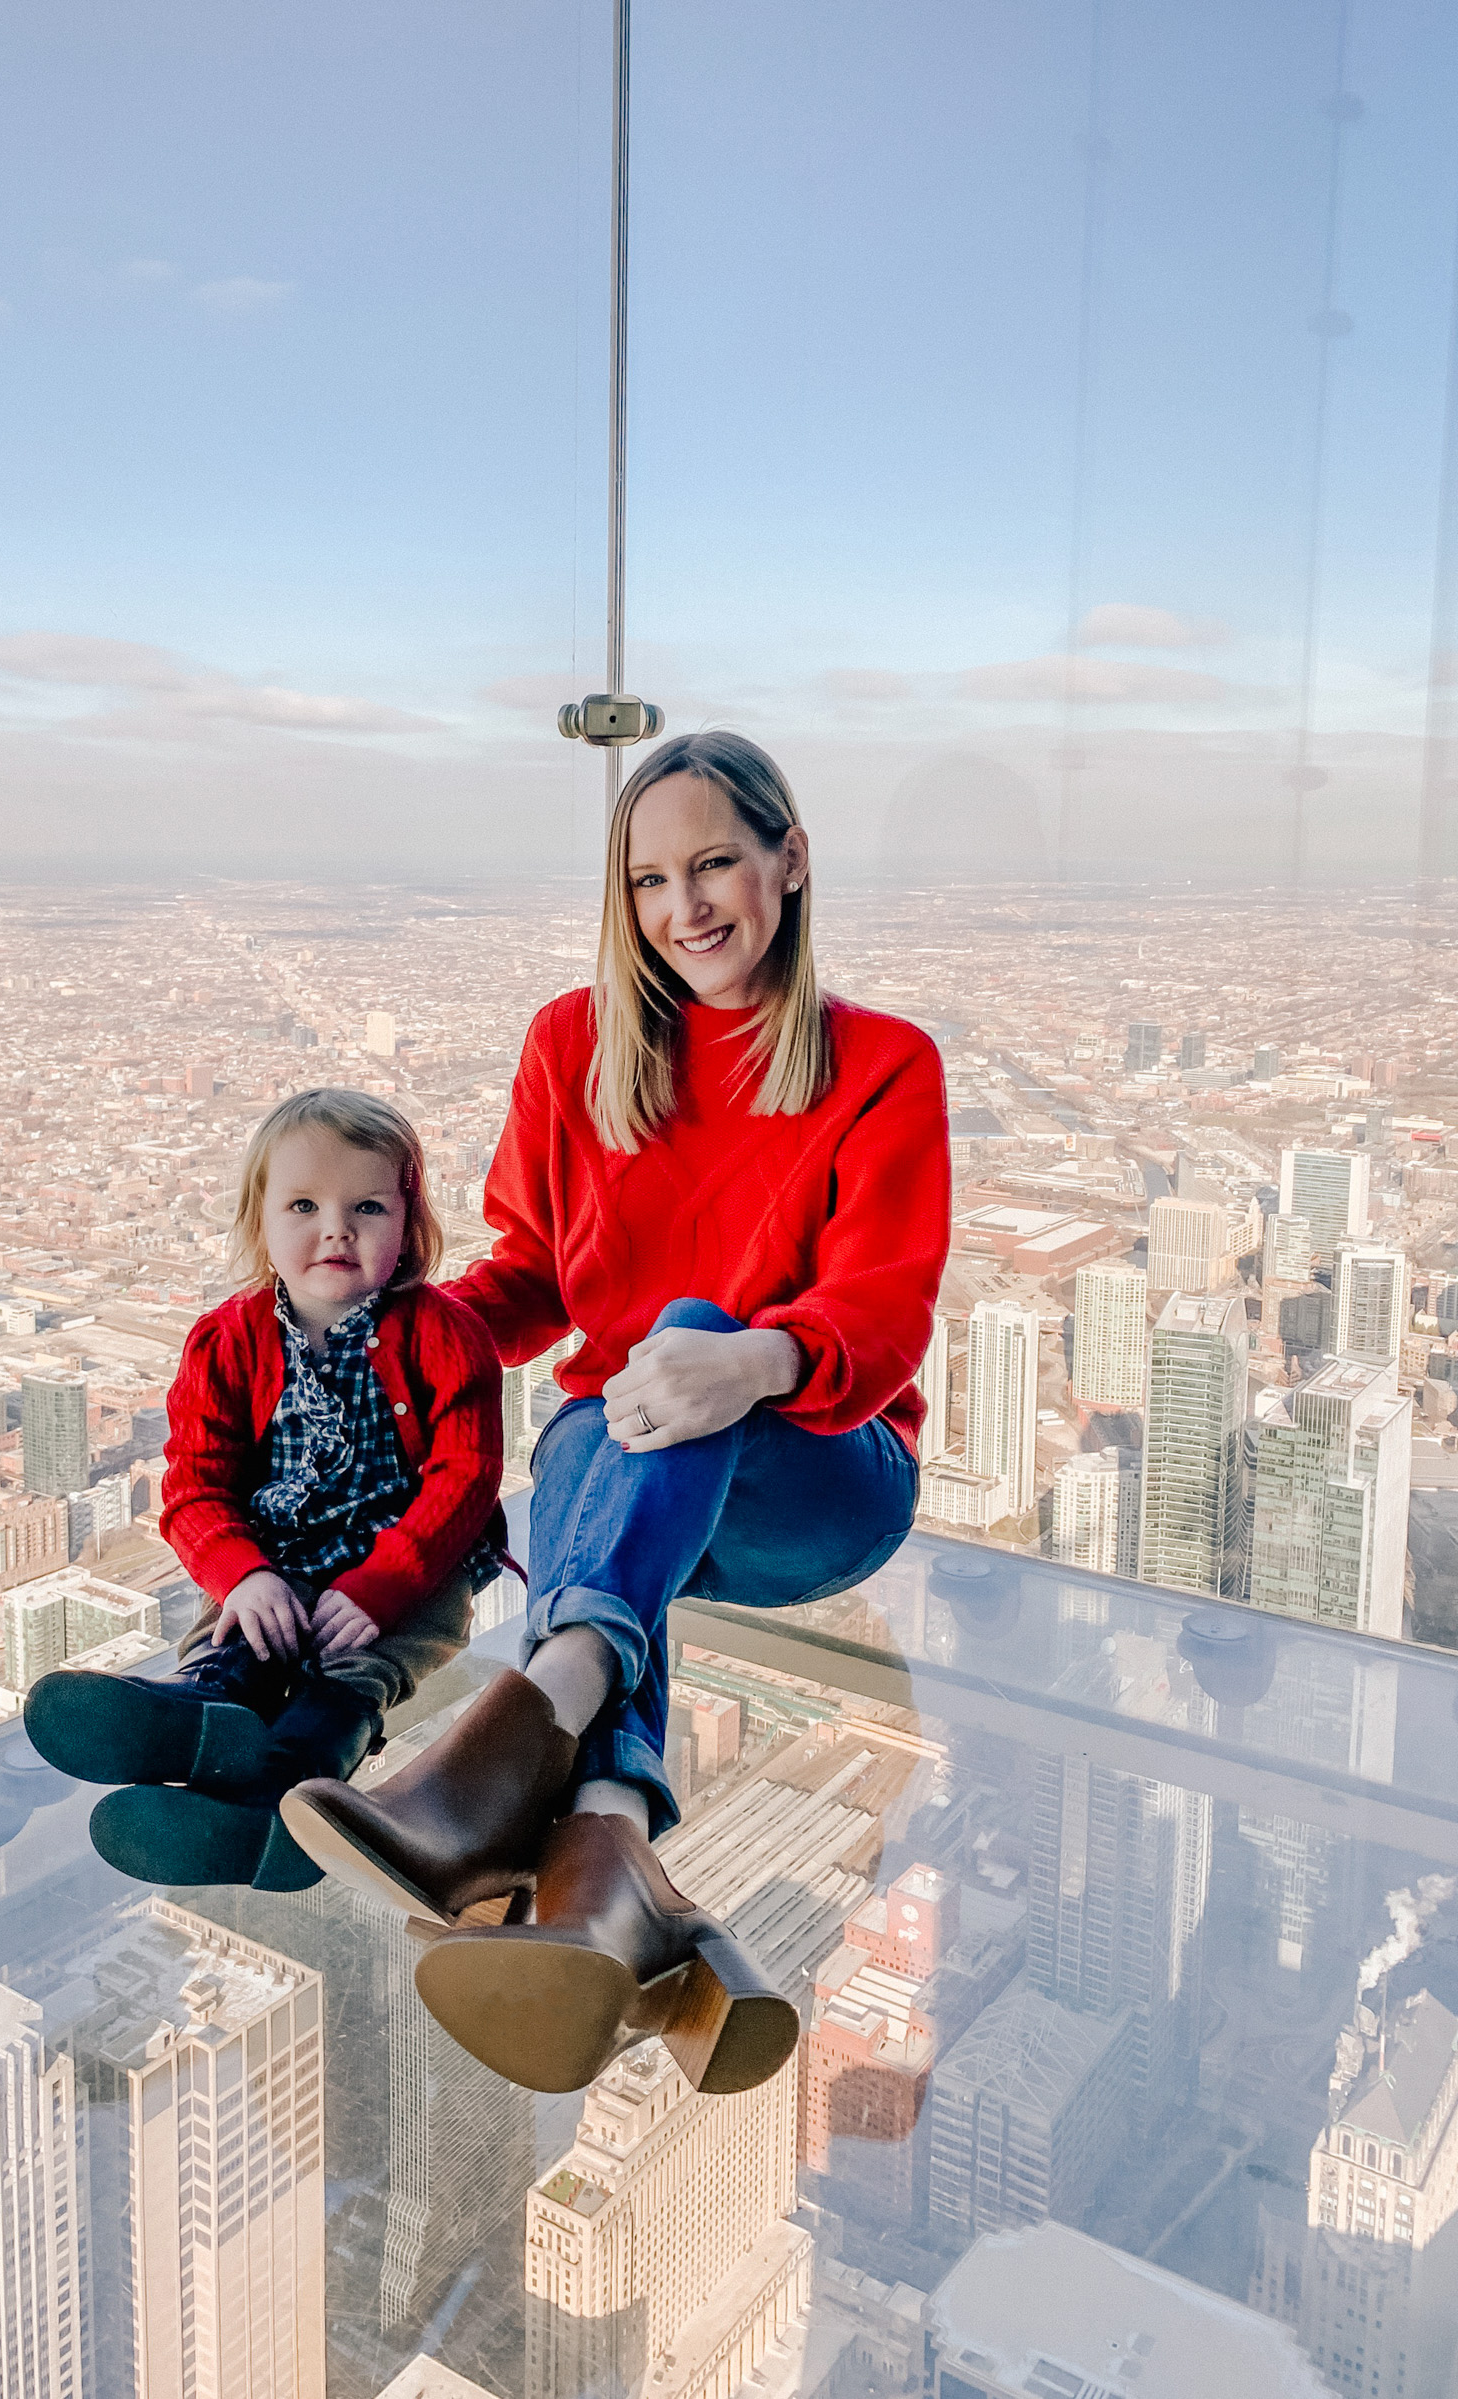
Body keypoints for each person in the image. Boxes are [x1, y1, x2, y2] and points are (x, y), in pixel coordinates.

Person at [282, 730, 949, 2098]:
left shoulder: (882, 1065)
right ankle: (607, 1862)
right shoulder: (572, 1045)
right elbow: (530, 1277)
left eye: (715, 862)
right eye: (650, 878)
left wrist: (751, 1359)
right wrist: (391, 1345)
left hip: (827, 1471)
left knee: (666, 1361)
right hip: (641, 1475)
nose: (686, 906)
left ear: (792, 860)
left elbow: (882, 1324)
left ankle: (518, 1738)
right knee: (593, 1422)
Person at [23, 1088, 506, 1891]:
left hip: (409, 1570)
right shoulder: (226, 1341)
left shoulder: (448, 1336)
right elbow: (194, 1487)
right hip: (274, 1562)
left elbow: (466, 1476)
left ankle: (287, 1800)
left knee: (353, 1676)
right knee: (237, 1643)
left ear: (410, 1226)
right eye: (305, 1204)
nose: (336, 1229)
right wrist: (241, 1576)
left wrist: (385, 1584)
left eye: (368, 1207)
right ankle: (199, 1719)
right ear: (261, 1221)